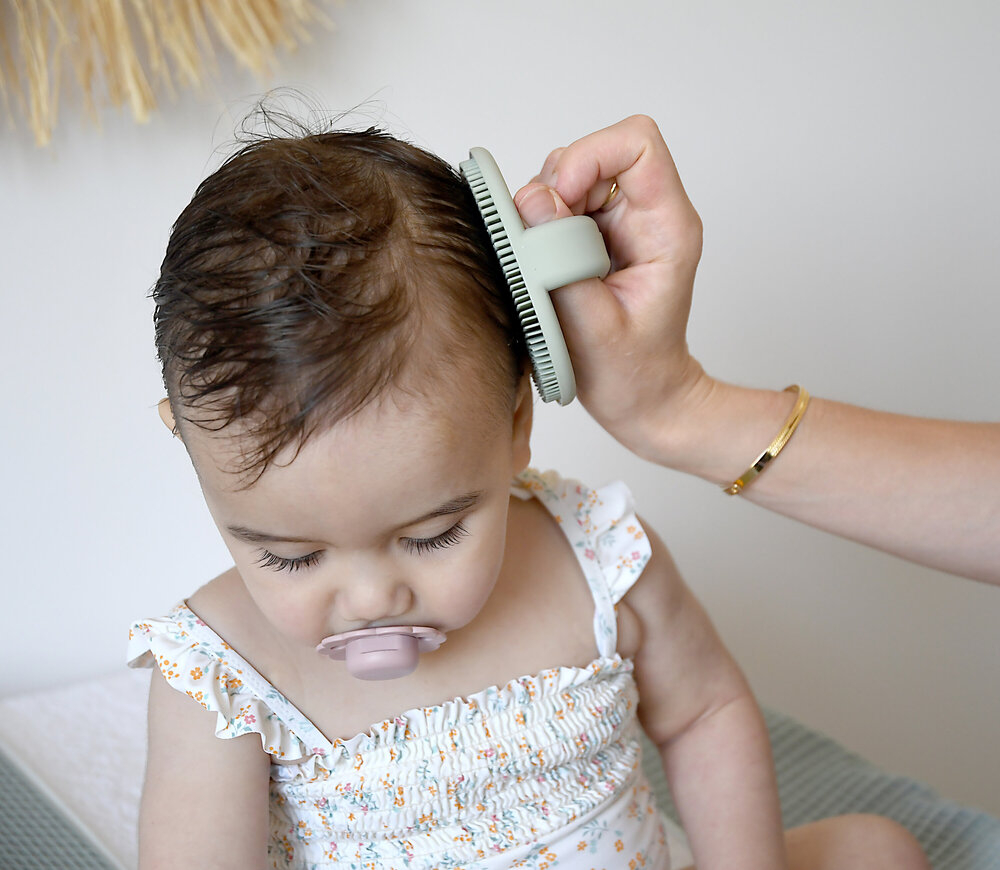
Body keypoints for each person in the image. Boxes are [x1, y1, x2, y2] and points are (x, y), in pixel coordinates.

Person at [129, 121, 928, 870]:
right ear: (190, 448)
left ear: (517, 420)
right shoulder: (223, 675)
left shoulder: (596, 557)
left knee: (877, 849)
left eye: (432, 535)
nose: (371, 599)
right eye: (291, 557)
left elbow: (703, 714)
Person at [513, 114, 1000, 587]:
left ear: (518, 421)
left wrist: (673, 405)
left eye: (458, 526)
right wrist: (669, 406)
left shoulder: (612, 572)